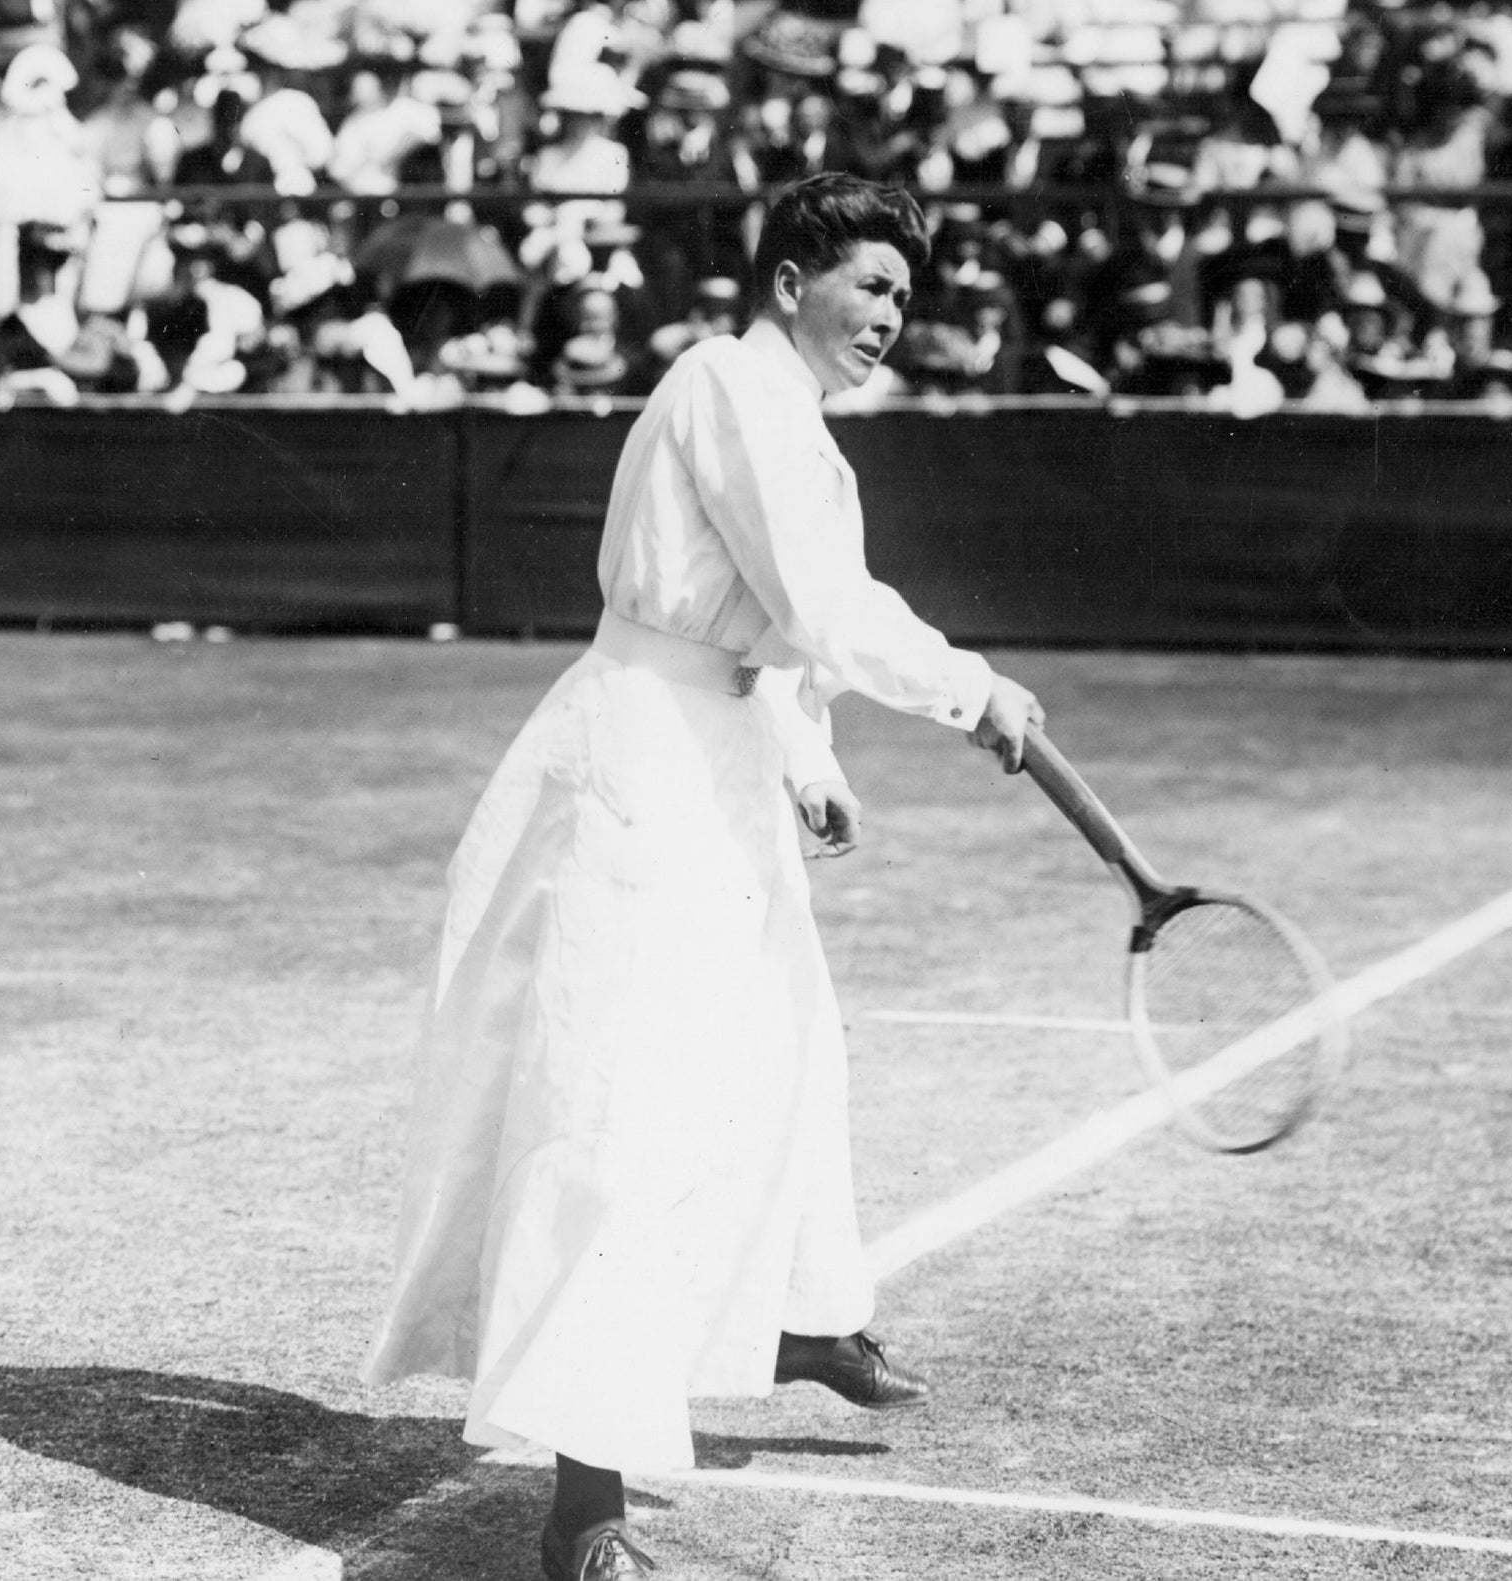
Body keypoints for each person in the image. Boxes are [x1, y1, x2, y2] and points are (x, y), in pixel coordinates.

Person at [362, 173, 1043, 1581]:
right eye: (868, 284)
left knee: (789, 1054)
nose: (890, 317)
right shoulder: (733, 385)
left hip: (716, 751)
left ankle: (791, 1314)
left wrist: (804, 758)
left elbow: (772, 640)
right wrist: (972, 691)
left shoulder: (789, 417)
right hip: (635, 768)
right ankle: (583, 1511)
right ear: (790, 281)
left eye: (906, 298)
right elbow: (814, 603)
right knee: (614, 1120)